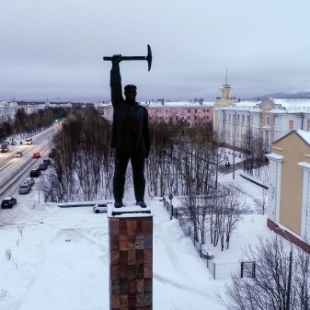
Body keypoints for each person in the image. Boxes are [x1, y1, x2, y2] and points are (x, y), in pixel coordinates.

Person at [110, 55, 150, 208]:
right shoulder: (119, 106)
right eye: (128, 93)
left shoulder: (142, 111)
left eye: (133, 93)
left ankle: (140, 199)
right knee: (119, 175)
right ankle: (118, 200)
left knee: (139, 175)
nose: (131, 95)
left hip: (138, 148)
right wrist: (115, 66)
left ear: (136, 94)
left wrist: (148, 148)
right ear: (125, 94)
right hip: (121, 147)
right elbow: (115, 85)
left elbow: (146, 131)